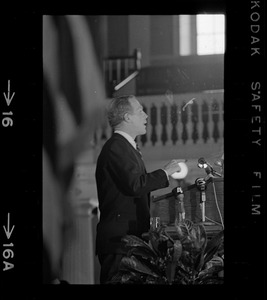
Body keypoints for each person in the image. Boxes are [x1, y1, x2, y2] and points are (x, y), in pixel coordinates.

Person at [95, 95, 185, 283]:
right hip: (119, 243)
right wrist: (165, 172)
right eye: (140, 111)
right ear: (127, 117)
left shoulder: (126, 147)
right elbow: (135, 185)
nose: (146, 116)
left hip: (127, 241)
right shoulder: (116, 147)